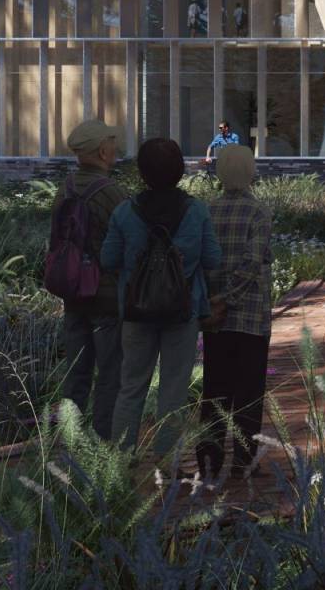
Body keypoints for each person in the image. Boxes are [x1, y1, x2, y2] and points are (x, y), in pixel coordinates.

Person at [103, 137, 224, 462]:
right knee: (174, 390)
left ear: (142, 172)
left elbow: (108, 258)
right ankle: (167, 459)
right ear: (179, 171)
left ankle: (122, 457)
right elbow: (213, 258)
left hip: (135, 310)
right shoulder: (195, 210)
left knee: (131, 386)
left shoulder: (125, 212)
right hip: (182, 311)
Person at [195, 143, 271, 488]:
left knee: (216, 388)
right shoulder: (258, 213)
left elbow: (203, 260)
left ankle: (209, 458)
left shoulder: (208, 211)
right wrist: (230, 298)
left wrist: (214, 301)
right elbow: (252, 263)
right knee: (249, 391)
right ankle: (243, 460)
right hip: (250, 315)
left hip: (215, 317)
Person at [53, 119, 130, 440]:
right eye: (112, 143)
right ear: (102, 150)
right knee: (111, 374)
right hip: (107, 297)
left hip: (72, 293)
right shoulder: (113, 193)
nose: (116, 148)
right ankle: (102, 443)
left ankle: (69, 440)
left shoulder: (65, 189)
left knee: (76, 372)